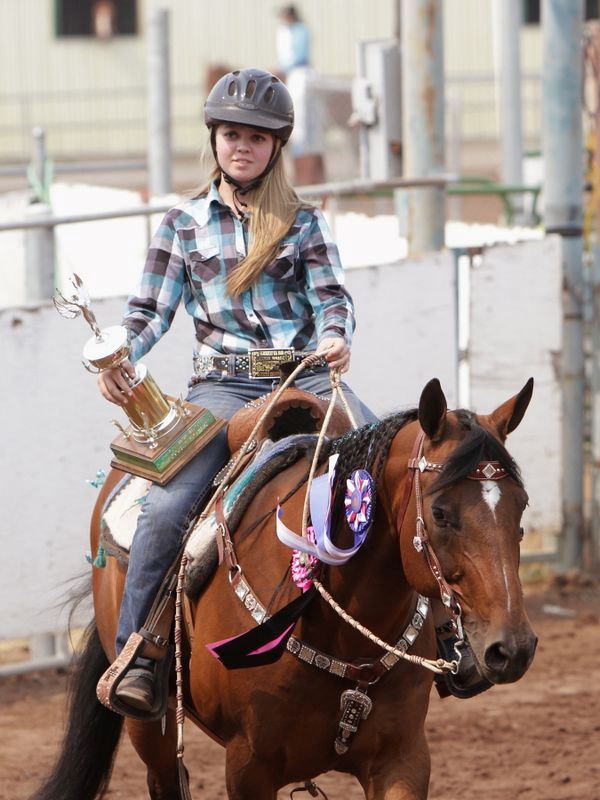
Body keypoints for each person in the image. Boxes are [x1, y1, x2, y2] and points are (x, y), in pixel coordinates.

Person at [97, 67, 377, 714]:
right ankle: (136, 653)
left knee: (380, 471)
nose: (241, 146)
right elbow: (148, 312)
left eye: (255, 137)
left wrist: (337, 335)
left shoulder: (304, 222)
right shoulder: (182, 224)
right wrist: (118, 355)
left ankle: (435, 630)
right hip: (222, 387)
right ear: (214, 140)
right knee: (167, 509)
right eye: (230, 135)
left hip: (306, 375)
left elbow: (333, 298)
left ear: (276, 146)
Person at [276, 5, 325, 185]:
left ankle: (300, 139)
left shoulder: (302, 31)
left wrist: (285, 68)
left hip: (299, 74)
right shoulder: (282, 32)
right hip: (286, 71)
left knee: (300, 111)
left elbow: (300, 56)